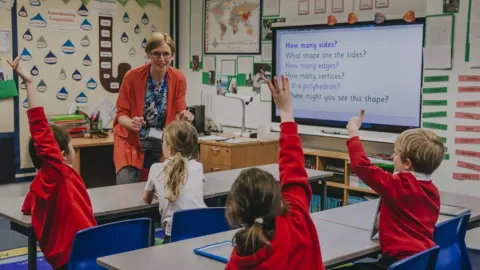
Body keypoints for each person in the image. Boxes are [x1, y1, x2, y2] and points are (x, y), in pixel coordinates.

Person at [224, 75, 325, 270]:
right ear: (279, 200)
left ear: (235, 212)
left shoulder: (240, 262)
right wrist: (286, 112)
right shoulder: (298, 220)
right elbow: (293, 170)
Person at [8, 56, 96, 270]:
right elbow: (40, 129)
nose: (74, 149)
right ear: (62, 154)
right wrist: (29, 84)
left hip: (65, 256)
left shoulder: (42, 182)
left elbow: (28, 206)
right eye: (72, 145)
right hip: (81, 251)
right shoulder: (59, 173)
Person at [341, 111, 443, 269]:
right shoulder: (432, 190)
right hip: (420, 261)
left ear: (407, 163)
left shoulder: (400, 185)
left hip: (397, 263)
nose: (392, 156)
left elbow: (361, 166)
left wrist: (353, 134)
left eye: (395, 153)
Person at [114, 32, 194, 185]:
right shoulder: (132, 77)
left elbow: (177, 115)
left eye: (166, 54)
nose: (162, 59)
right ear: (148, 55)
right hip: (132, 140)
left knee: (166, 186)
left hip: (163, 140)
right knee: (126, 185)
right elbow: (121, 114)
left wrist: (183, 118)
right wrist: (131, 123)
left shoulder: (178, 78)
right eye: (156, 54)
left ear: (172, 56)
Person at [142, 121, 207, 244]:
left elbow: (146, 199)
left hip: (173, 237)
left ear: (170, 148)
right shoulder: (198, 167)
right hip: (201, 233)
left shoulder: (156, 168)